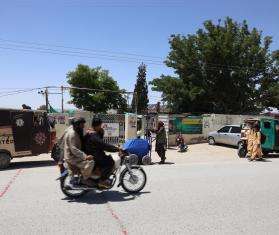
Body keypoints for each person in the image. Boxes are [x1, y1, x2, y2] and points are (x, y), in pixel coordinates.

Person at [83, 117, 120, 189]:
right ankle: (102, 181)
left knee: (106, 158)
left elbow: (100, 143)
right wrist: (117, 149)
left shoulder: (92, 132)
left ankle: (98, 175)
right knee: (110, 161)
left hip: (93, 152)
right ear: (97, 125)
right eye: (100, 125)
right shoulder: (94, 135)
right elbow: (104, 145)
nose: (101, 127)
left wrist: (101, 133)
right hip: (94, 154)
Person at [64, 117, 95, 187]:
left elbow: (81, 139)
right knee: (91, 162)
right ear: (77, 125)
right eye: (82, 125)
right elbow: (74, 149)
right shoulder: (73, 134)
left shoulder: (75, 131)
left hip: (72, 155)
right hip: (72, 157)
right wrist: (85, 156)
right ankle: (84, 179)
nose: (83, 126)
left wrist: (88, 133)